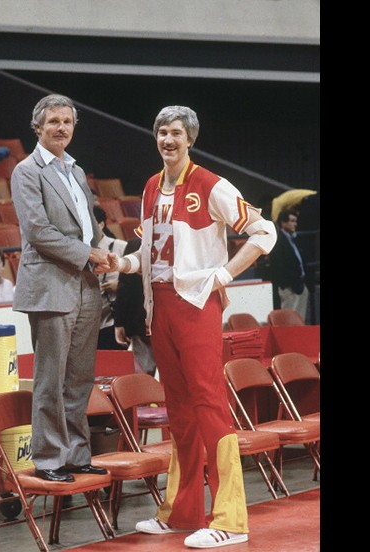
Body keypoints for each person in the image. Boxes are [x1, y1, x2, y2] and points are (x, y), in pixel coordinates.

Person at [109, 105, 277, 548]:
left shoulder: (210, 184)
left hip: (197, 306)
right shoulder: (149, 186)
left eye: (176, 133)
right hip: (158, 307)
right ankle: (182, 511)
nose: (168, 139)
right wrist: (121, 262)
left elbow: (264, 232)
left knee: (209, 405)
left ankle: (231, 519)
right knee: (179, 410)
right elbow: (148, 250)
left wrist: (223, 275)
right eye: (162, 132)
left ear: (191, 140)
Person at [10, 93, 113, 483]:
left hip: (87, 284)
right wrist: (89, 252)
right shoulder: (26, 170)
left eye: (67, 122)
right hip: (51, 284)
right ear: (38, 127)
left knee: (80, 378)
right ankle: (50, 459)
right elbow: (38, 232)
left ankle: (76, 454)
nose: (62, 128)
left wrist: (102, 252)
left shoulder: (75, 170)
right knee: (51, 378)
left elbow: (90, 227)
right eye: (54, 121)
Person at [111, 237, 157, 376]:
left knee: (146, 373)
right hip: (157, 318)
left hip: (140, 320)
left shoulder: (135, 243)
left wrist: (119, 322)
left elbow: (124, 286)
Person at [93, 205, 128, 350]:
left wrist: (119, 284)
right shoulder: (76, 250)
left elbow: (136, 281)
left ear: (101, 224)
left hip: (111, 320)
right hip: (87, 324)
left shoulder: (121, 247)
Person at [267, 209, 309, 316]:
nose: (295, 224)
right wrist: (288, 284)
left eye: (295, 221)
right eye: (292, 221)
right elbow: (278, 265)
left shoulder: (291, 238)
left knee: (299, 318)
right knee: (289, 319)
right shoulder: (279, 240)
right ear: (283, 222)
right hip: (289, 287)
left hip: (298, 284)